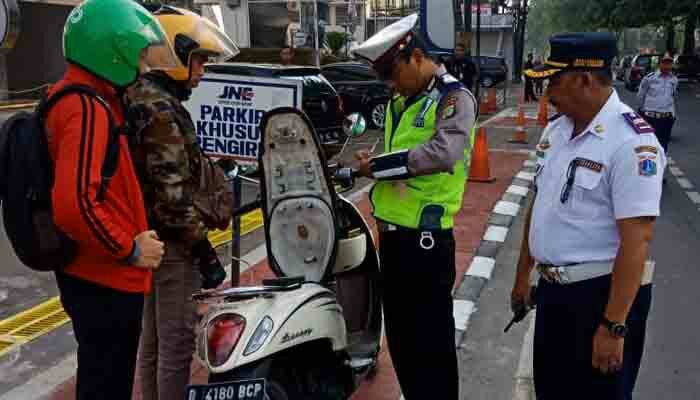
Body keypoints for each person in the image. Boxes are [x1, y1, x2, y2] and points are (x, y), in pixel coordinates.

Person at [514, 32, 664, 400]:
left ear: (583, 79)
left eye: (554, 81)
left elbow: (637, 239)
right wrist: (522, 276)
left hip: (600, 298)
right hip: (553, 295)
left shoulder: (631, 141)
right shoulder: (557, 131)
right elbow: (540, 205)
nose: (548, 93)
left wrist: (613, 327)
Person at [46, 0, 173, 397]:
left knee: (103, 379)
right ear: (110, 50)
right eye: (138, 55)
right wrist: (128, 249)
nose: (143, 67)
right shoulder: (85, 108)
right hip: (103, 278)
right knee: (106, 384)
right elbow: (73, 205)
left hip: (98, 275)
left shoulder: (87, 98)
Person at [352, 13, 477, 399]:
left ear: (417, 56)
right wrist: (369, 163)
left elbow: (443, 153)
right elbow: (398, 149)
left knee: (432, 349)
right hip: (392, 240)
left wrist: (378, 168)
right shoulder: (400, 100)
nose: (391, 82)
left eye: (393, 71)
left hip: (426, 243)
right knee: (403, 344)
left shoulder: (454, 98)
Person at [125, 6, 239, 400]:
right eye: (199, 60)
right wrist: (203, 250)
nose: (203, 69)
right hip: (173, 246)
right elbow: (172, 195)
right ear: (174, 55)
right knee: (174, 346)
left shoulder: (140, 97)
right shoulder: (161, 110)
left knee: (153, 344)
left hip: (151, 239)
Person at [637, 52, 678, 157]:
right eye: (665, 63)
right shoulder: (649, 78)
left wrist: (672, 115)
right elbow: (641, 95)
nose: (667, 66)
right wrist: (642, 112)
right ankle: (649, 169)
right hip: (651, 118)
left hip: (666, 119)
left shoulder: (674, 79)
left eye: (669, 63)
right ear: (659, 64)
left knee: (663, 146)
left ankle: (661, 167)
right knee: (649, 146)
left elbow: (672, 97)